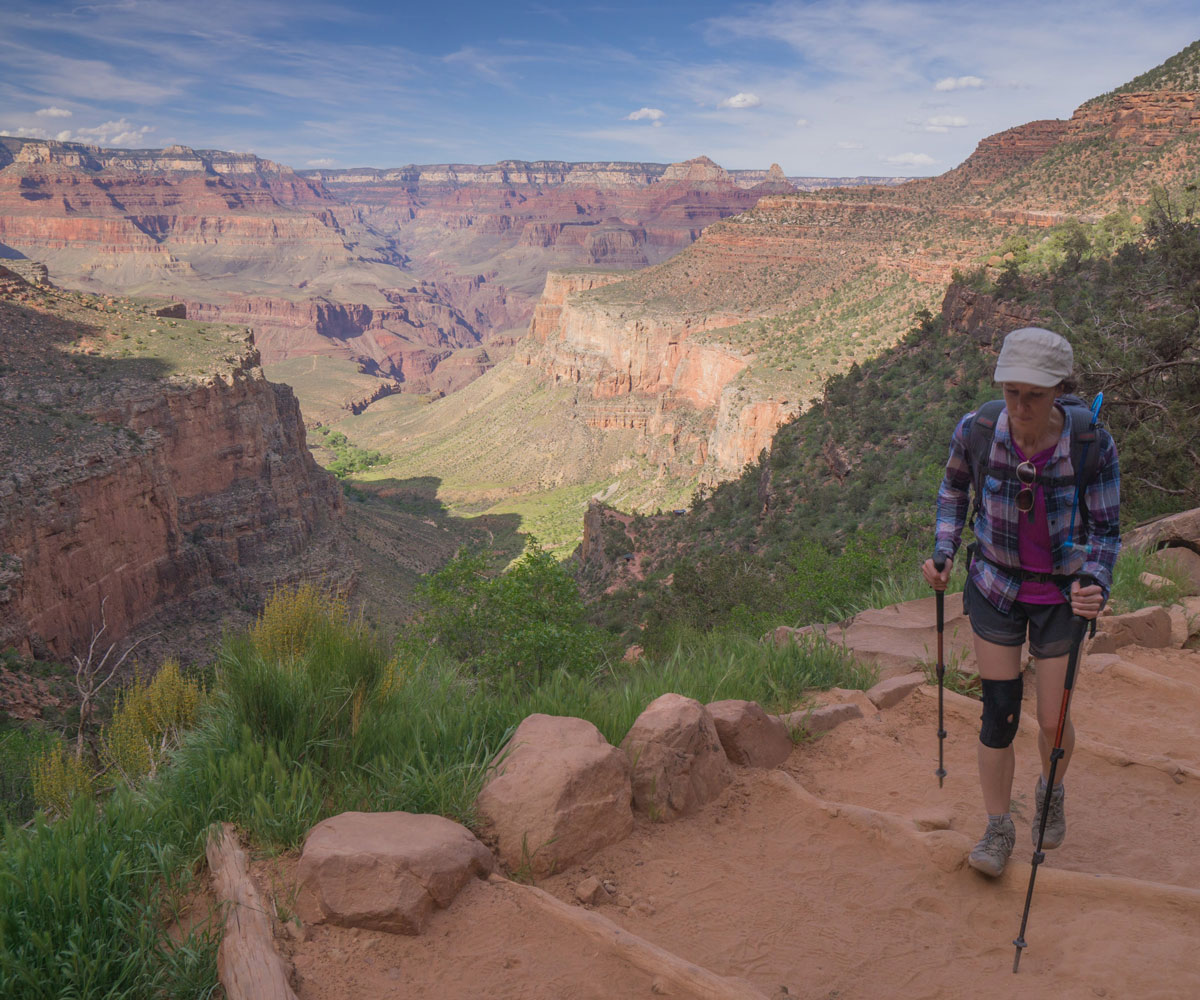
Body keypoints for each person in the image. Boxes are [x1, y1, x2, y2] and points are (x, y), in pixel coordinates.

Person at [921, 326, 1120, 877]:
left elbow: (1106, 530)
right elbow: (953, 490)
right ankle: (997, 827)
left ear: (1060, 389)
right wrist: (943, 549)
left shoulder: (1090, 445)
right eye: (1012, 391)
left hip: (1060, 595)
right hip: (994, 586)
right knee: (999, 713)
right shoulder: (980, 431)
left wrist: (1097, 583)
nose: (1021, 405)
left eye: (1034, 393)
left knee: (1053, 721)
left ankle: (1050, 790)